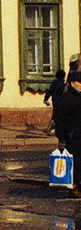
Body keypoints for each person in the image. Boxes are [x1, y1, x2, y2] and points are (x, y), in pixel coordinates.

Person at [56, 70, 81, 198]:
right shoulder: (67, 98)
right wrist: (61, 138)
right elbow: (60, 119)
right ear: (72, 83)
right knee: (74, 162)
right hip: (72, 136)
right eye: (79, 82)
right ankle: (74, 187)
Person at [46, 69, 67, 134]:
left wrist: (45, 99)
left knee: (55, 114)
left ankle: (53, 127)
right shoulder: (63, 85)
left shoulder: (54, 84)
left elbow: (49, 92)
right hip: (60, 102)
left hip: (54, 101)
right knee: (59, 115)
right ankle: (52, 128)